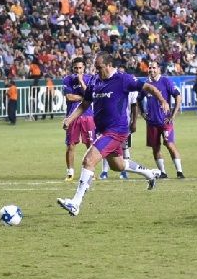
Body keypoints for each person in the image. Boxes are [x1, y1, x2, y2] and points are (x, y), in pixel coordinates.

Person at [57, 53, 167, 217]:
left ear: (108, 65)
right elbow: (85, 103)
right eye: (95, 67)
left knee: (88, 160)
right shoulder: (95, 81)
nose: (96, 70)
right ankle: (150, 174)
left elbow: (148, 87)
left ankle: (75, 203)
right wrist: (70, 118)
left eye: (99, 67)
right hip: (103, 130)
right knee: (118, 166)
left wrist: (162, 101)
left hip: (116, 131)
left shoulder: (123, 79)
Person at [139, 61, 185, 179]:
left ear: (158, 69)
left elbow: (178, 96)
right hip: (152, 123)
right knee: (156, 148)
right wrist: (143, 113)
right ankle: (163, 172)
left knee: (169, 144)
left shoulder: (165, 81)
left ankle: (179, 172)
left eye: (154, 68)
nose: (152, 70)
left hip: (165, 121)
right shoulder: (146, 84)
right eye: (150, 68)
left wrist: (173, 115)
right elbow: (139, 99)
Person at [62, 58, 95, 182]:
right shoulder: (67, 79)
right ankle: (70, 173)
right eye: (76, 68)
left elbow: (90, 95)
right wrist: (84, 98)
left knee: (90, 145)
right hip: (72, 116)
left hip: (88, 115)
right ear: (72, 68)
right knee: (70, 145)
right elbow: (69, 97)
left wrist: (81, 82)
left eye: (80, 68)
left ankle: (90, 171)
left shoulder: (90, 78)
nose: (78, 70)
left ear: (84, 68)